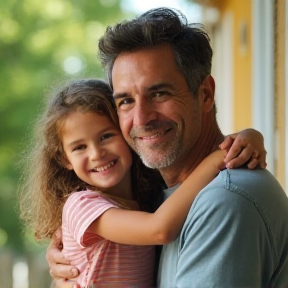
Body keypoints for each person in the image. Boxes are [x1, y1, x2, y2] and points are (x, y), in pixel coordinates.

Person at [47, 7, 288, 287]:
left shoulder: (225, 200)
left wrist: (226, 152)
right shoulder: (158, 200)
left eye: (159, 93)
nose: (142, 119)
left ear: (206, 94)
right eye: (125, 101)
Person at [19, 78, 234, 287]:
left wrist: (248, 138)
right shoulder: (82, 205)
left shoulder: (145, 198)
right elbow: (160, 230)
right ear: (65, 159)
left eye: (106, 136)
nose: (96, 154)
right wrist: (216, 159)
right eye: (79, 147)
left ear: (127, 133)